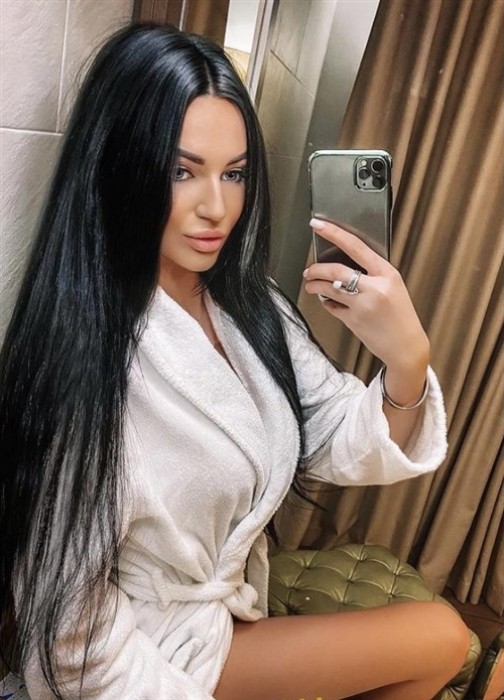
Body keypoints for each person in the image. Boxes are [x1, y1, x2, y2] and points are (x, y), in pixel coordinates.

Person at [0, 23, 470, 700]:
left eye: (235, 173)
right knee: (440, 638)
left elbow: (336, 436)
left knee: (443, 638)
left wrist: (405, 358)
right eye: (181, 171)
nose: (217, 208)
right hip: (152, 656)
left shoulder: (248, 306)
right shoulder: (84, 361)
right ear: (118, 165)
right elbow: (70, 643)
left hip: (227, 617)